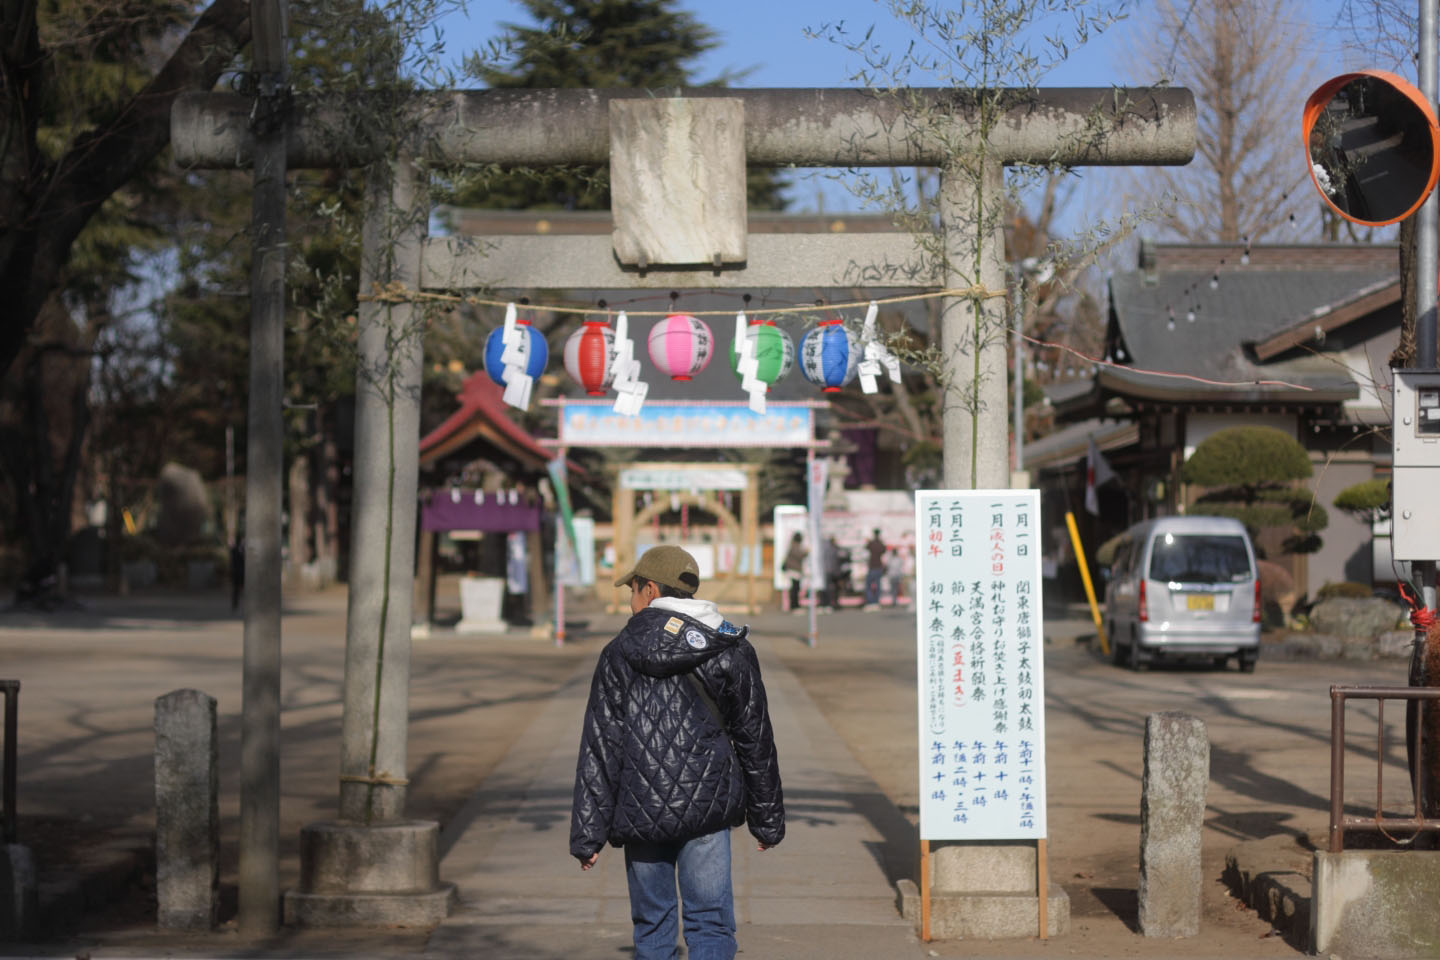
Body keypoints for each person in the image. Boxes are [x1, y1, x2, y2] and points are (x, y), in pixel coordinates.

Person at [571, 545, 785, 960]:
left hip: (640, 810)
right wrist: (767, 819)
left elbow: (600, 744)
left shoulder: (618, 653)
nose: (631, 601)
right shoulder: (728, 647)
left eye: (632, 590)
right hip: (708, 807)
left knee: (653, 927)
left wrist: (588, 833)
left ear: (650, 590)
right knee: (710, 923)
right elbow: (754, 738)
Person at [781, 532, 807, 611]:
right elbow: (800, 555)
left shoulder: (792, 545)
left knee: (795, 588)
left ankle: (795, 605)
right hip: (794, 570)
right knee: (795, 589)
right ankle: (794, 606)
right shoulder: (795, 546)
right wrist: (806, 552)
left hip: (793, 570)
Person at [863, 528, 887, 608]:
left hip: (872, 566)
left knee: (868, 584)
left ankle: (871, 601)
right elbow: (884, 550)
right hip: (879, 566)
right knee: (878, 585)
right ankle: (876, 601)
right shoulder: (880, 543)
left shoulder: (872, 543)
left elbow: (866, 547)